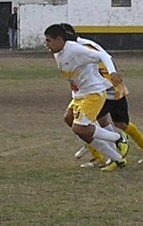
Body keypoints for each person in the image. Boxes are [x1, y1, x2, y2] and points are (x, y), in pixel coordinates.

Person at [61, 23, 143, 166]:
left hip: (106, 90)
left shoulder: (83, 48)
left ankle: (105, 153)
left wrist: (107, 81)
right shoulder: (77, 46)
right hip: (104, 89)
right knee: (110, 122)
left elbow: (103, 62)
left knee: (85, 123)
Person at [44, 23, 127, 172]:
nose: (46, 44)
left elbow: (103, 55)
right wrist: (73, 83)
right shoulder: (58, 53)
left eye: (49, 40)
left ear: (59, 39)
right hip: (80, 94)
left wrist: (112, 72)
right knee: (68, 119)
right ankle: (118, 159)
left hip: (93, 93)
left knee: (80, 128)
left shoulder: (75, 49)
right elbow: (72, 70)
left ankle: (118, 138)